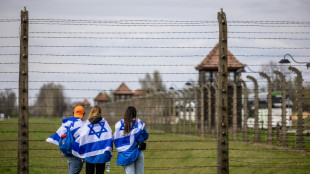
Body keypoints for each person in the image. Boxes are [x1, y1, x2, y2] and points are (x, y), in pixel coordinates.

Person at [72, 105, 113, 174]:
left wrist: (82, 151)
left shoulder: (87, 124)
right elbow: (109, 136)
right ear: (100, 112)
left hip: (89, 152)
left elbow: (82, 137)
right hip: (102, 153)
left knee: (89, 171)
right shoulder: (105, 123)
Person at [46, 105, 85, 174]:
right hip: (76, 155)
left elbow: (59, 136)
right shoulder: (83, 125)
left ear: (73, 113)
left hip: (68, 153)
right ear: (83, 114)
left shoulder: (67, 123)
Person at [113, 106, 149, 174]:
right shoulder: (139, 123)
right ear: (135, 113)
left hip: (126, 154)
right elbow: (146, 135)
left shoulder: (119, 125)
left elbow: (115, 138)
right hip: (138, 151)